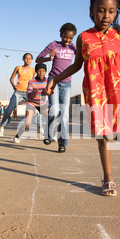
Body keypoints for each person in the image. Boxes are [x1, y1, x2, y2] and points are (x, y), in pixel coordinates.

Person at [46, 0, 120, 197]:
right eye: (101, 10)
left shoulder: (119, 36)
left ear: (116, 12)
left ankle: (108, 171)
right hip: (96, 90)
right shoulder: (84, 37)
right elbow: (76, 65)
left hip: (119, 88)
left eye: (111, 11)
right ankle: (108, 178)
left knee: (117, 134)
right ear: (91, 11)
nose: (106, 16)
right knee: (103, 133)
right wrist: (55, 78)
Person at [37, 23, 77, 153]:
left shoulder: (73, 47)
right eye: (66, 37)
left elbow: (82, 59)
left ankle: (62, 142)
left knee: (64, 114)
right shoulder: (54, 44)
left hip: (66, 83)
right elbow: (38, 59)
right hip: (53, 81)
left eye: (70, 38)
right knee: (54, 110)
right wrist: (49, 58)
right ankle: (48, 136)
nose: (68, 40)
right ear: (61, 35)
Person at [0, 53, 35, 137]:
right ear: (23, 59)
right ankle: (2, 127)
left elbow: (33, 81)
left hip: (28, 92)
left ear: (31, 60)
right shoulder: (18, 68)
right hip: (18, 92)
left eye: (29, 59)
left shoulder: (33, 70)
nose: (27, 60)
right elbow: (11, 78)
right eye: (26, 58)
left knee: (33, 110)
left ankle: (36, 127)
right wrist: (14, 86)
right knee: (8, 110)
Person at [13, 63, 49, 143]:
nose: (41, 73)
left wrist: (48, 92)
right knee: (27, 124)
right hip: (32, 103)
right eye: (39, 71)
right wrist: (34, 93)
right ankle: (17, 136)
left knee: (52, 119)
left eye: (43, 71)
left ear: (45, 72)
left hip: (42, 103)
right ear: (36, 72)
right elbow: (28, 95)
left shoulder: (47, 81)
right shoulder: (32, 81)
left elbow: (50, 91)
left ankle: (52, 136)